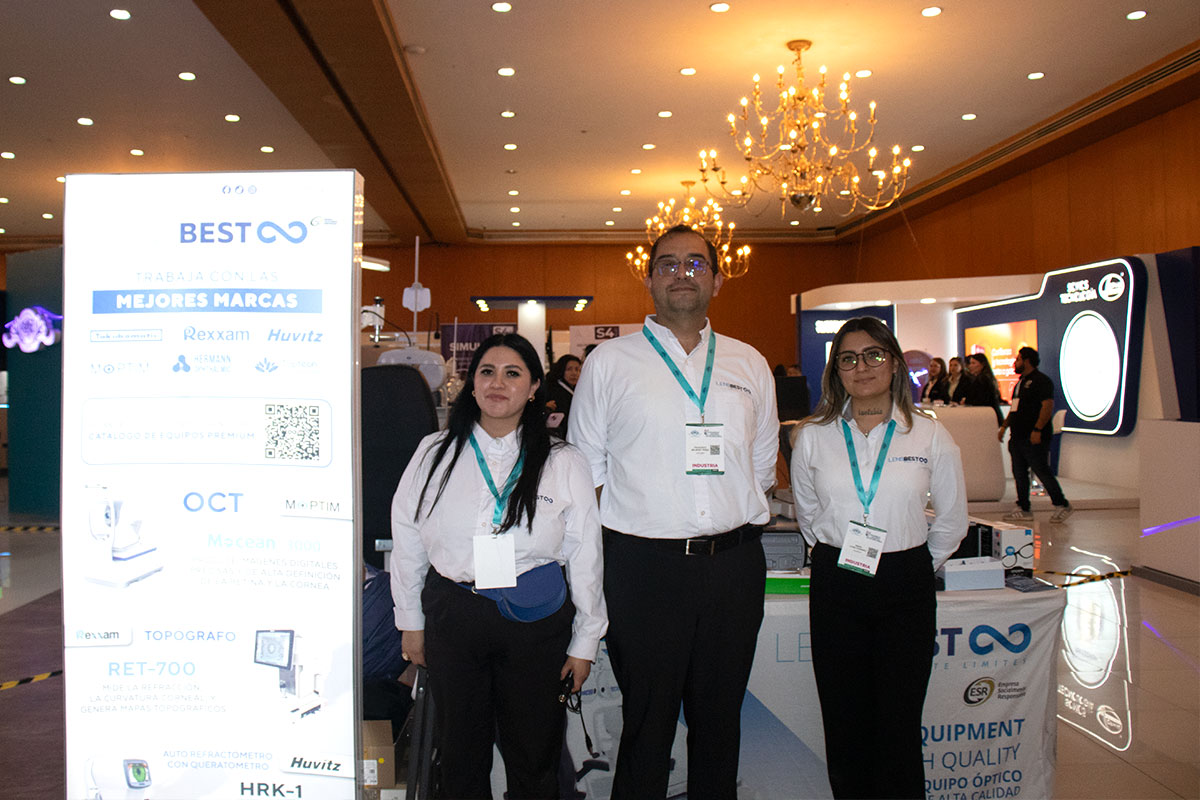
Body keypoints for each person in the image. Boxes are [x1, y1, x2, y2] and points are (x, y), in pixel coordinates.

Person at [569, 224, 779, 800]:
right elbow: (585, 470)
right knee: (647, 722)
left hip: (733, 566)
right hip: (644, 570)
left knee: (720, 720)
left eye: (695, 263)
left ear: (716, 278)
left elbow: (762, 463)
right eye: (667, 264)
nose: (681, 274)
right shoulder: (609, 362)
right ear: (649, 280)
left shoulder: (749, 362)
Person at [390, 332, 607, 799]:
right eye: (487, 372)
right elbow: (406, 537)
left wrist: (586, 640)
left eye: (513, 374)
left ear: (533, 388)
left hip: (535, 619)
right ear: (472, 384)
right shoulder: (434, 452)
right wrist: (410, 621)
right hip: (455, 612)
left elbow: (586, 554)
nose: (497, 383)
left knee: (534, 757)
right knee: (459, 758)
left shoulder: (563, 460)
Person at [790, 316, 967, 800]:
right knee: (844, 720)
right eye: (848, 359)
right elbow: (810, 515)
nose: (862, 367)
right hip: (838, 580)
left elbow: (952, 520)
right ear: (836, 371)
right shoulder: (814, 436)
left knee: (899, 723)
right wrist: (839, 553)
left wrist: (912, 565)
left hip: (906, 583)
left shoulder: (928, 434)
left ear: (893, 363)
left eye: (873, 355)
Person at [998, 346, 1072, 523]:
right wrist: (1004, 426)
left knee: (1041, 471)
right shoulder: (1020, 383)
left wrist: (1037, 429)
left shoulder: (1041, 381)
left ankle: (1061, 504)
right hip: (1017, 436)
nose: (1015, 363)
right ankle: (1023, 507)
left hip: (1033, 436)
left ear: (1027, 361)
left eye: (1018, 359)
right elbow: (1015, 408)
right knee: (1019, 473)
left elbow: (1047, 406)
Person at [545, 353, 582, 437]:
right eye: (569, 369)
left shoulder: (580, 390)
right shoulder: (551, 389)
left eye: (577, 369)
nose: (574, 373)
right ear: (561, 370)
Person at [961, 352, 1004, 424]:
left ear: (982, 364)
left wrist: (966, 401)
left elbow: (980, 399)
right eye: (970, 363)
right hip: (992, 415)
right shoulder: (988, 378)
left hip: (987, 416)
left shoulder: (982, 380)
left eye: (973, 363)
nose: (970, 366)